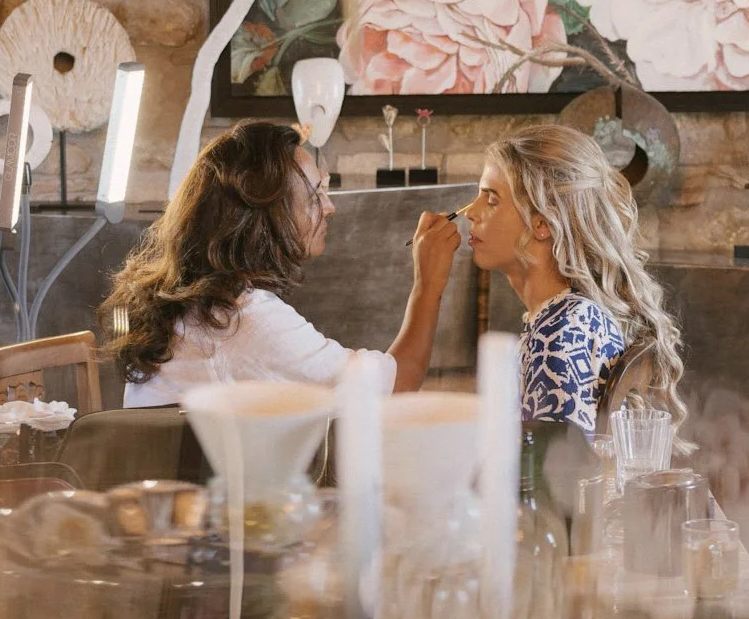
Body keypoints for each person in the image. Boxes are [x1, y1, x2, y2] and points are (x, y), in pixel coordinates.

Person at [107, 120, 460, 407]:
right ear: (264, 213)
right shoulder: (241, 320)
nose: (329, 207)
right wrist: (428, 285)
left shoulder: (199, 300)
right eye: (314, 195)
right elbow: (397, 384)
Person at [461, 125, 686, 436]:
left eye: (491, 199)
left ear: (542, 223)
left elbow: (553, 466)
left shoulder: (561, 335)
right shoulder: (567, 317)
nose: (470, 212)